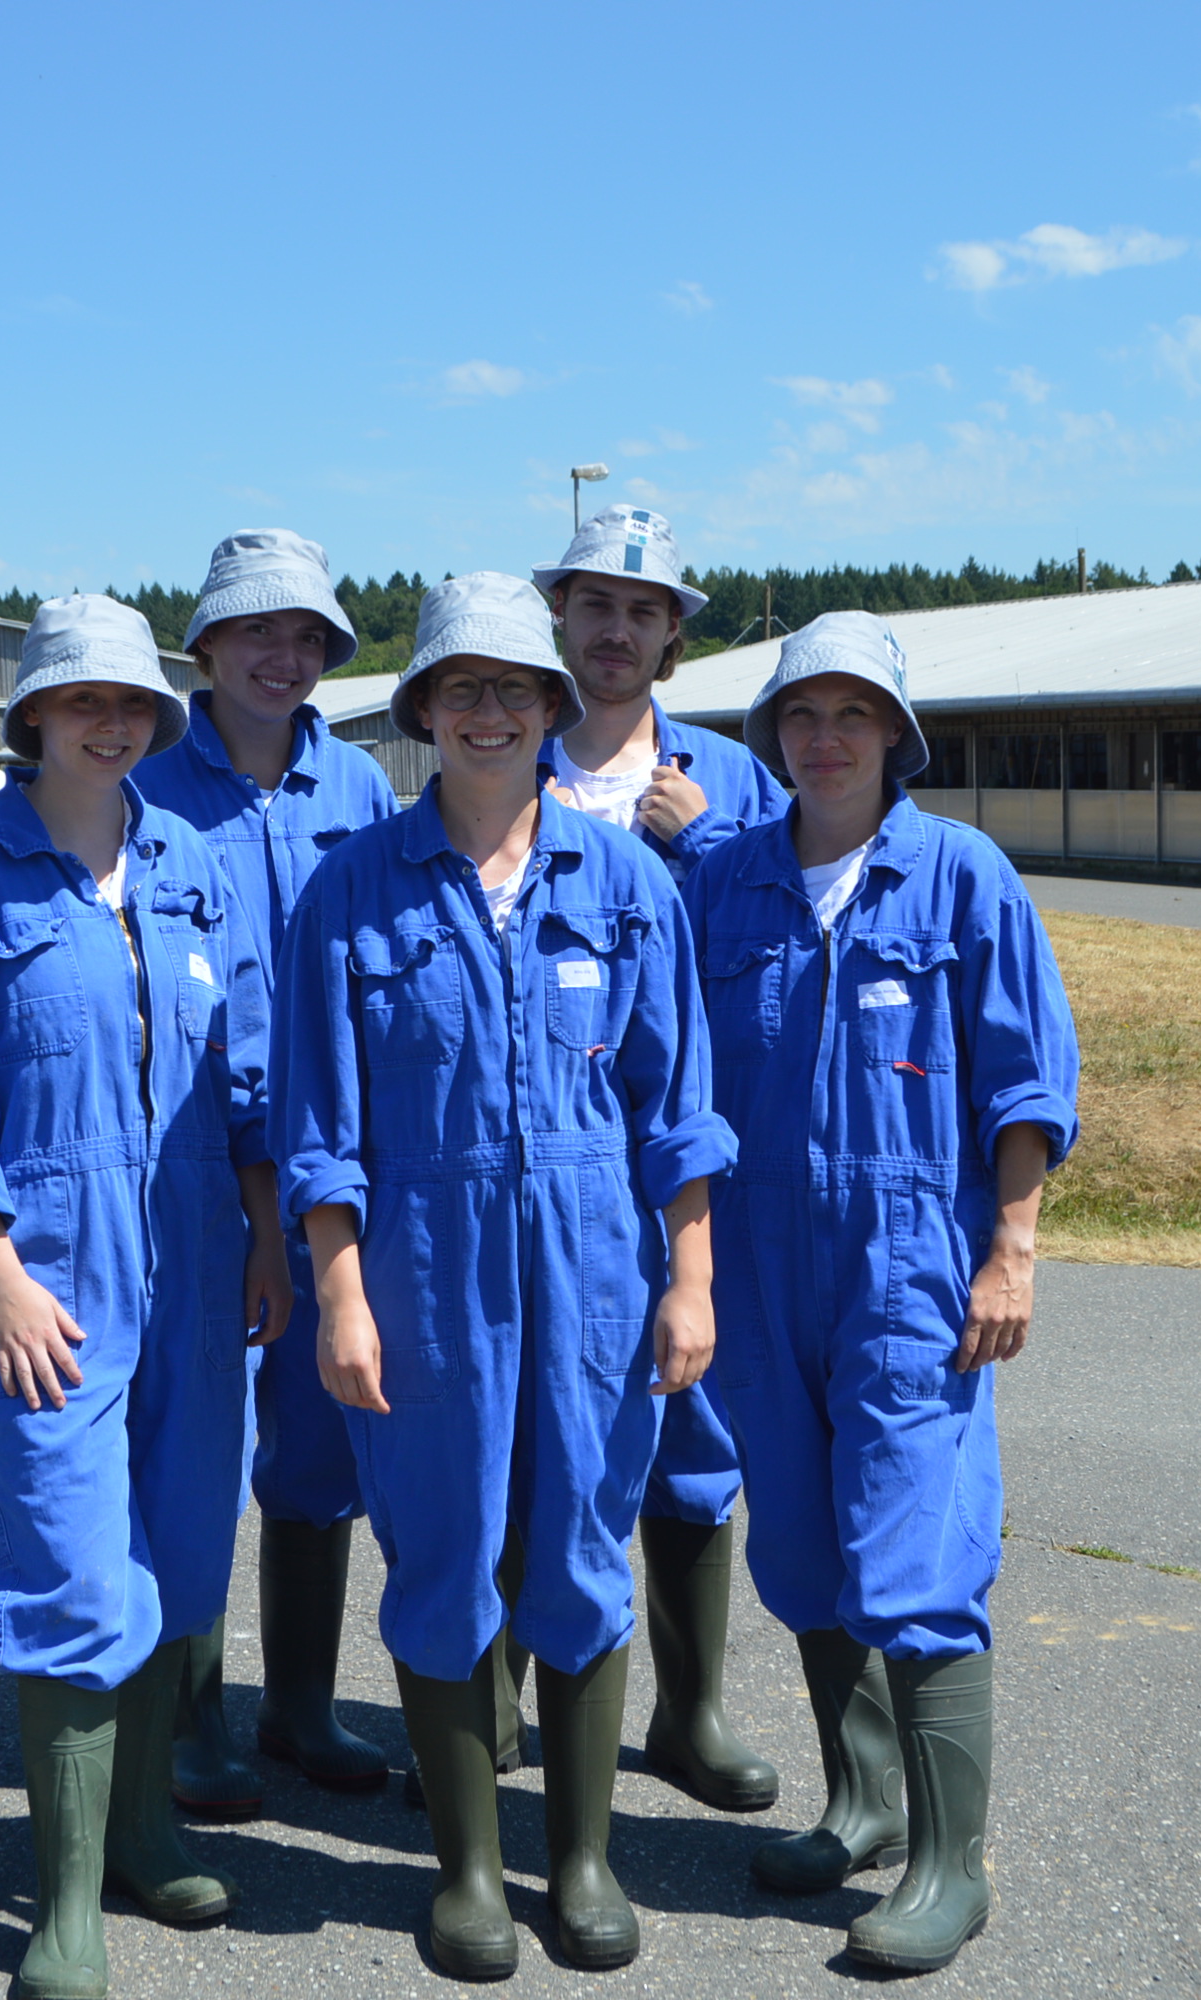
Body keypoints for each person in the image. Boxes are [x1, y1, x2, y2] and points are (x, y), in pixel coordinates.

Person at [273, 573, 735, 1978]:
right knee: (443, 1544)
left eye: (515, 691)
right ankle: (469, 1870)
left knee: (585, 1546)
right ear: (420, 713)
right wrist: (341, 1295)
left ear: (552, 709)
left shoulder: (631, 885)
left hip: (599, 1260)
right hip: (421, 1269)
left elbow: (681, 1111)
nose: (489, 713)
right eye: (461, 689)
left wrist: (693, 1278)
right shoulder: (351, 893)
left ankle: (581, 1859)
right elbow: (319, 1129)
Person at [0, 594, 288, 2000]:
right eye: (84, 704)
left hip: (191, 1260)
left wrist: (262, 1232)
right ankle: (62, 1902)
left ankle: (143, 1827)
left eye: (133, 708)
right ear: (34, 719)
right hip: (41, 1270)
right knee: (63, 1556)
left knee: (177, 1543)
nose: (112, 726)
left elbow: (243, 1076)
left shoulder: (187, 865)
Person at [679, 611, 1080, 1975]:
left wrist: (1011, 1244)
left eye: (854, 715)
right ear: (773, 738)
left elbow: (1026, 1080)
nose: (826, 737)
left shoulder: (963, 878)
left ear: (897, 737)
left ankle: (953, 1865)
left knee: (915, 1547)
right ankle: (862, 1804)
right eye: (803, 715)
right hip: (758, 1255)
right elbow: (674, 1077)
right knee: (799, 1540)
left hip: (911, 1258)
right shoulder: (719, 884)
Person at [132, 530, 400, 1815]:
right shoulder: (146, 786)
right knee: (195, 1436)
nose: (280, 656)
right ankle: (190, 1717)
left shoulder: (360, 793)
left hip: (332, 1162)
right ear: (206, 646)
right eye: (254, 632)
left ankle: (298, 1705)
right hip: (191, 1167)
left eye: (304, 637)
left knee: (322, 1444)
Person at [532, 503, 783, 1814]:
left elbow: (808, 922)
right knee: (537, 1431)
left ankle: (691, 1715)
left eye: (643, 611)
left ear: (675, 635)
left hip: (693, 1164)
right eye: (594, 606)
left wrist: (711, 851)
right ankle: (524, 1709)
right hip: (543, 1168)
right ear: (558, 620)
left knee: (697, 1430)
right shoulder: (508, 760)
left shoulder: (737, 782)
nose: (616, 630)